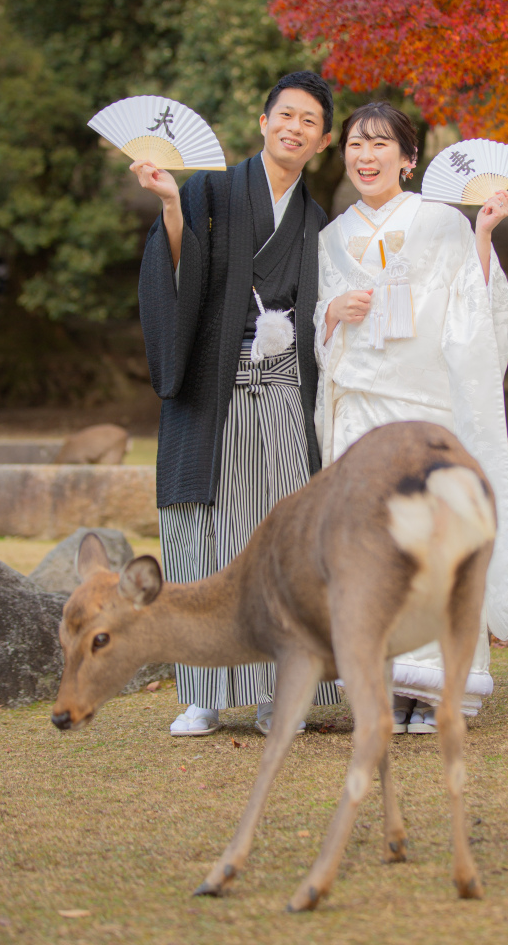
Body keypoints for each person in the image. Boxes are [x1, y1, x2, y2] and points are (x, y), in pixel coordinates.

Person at [134, 72, 342, 737]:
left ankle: (279, 691)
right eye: (286, 115)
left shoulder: (317, 221)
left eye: (309, 121)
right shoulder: (210, 191)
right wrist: (172, 206)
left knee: (281, 540)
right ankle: (202, 694)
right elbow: (177, 271)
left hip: (282, 389)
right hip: (213, 388)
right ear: (263, 121)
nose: (294, 128)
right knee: (201, 535)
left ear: (324, 140)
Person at [314, 102, 508, 734]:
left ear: (408, 159)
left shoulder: (442, 222)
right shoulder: (330, 236)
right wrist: (332, 314)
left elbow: (473, 306)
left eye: (381, 144)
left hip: (425, 406)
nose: (365, 156)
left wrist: (483, 235)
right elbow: (318, 321)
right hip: (359, 410)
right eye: (355, 144)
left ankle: (435, 690)